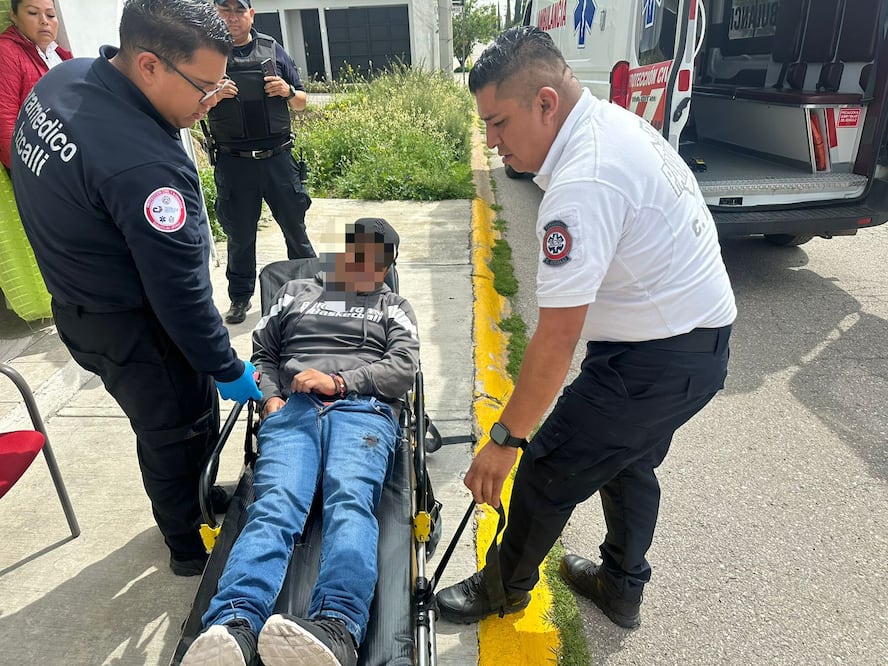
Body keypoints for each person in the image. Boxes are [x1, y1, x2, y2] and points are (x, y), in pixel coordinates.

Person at [436, 26, 737, 630]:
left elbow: (555, 338)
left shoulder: (583, 181)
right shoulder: (608, 127)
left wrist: (504, 440)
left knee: (547, 467)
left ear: (545, 103)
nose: (491, 142)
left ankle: (503, 589)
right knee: (626, 460)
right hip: (690, 343)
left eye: (498, 123)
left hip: (659, 357)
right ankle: (622, 587)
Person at [10, 0, 262, 577]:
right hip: (137, 326)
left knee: (163, 427)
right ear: (149, 65)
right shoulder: (143, 167)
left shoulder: (62, 83)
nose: (211, 101)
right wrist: (225, 366)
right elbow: (180, 295)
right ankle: (186, 545)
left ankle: (197, 500)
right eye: (205, 86)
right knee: (176, 429)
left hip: (80, 304)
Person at [181, 218, 419, 666]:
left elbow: (403, 368)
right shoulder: (295, 293)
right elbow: (264, 353)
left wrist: (340, 381)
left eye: (378, 263)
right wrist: (270, 397)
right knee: (275, 506)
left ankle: (337, 628)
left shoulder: (395, 306)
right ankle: (234, 624)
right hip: (294, 408)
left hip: (361, 410)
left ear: (387, 269)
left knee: (349, 501)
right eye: (358, 255)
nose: (365, 269)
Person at [207, 0, 315, 326]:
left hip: (277, 159)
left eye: (238, 10)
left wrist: (286, 91)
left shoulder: (272, 48)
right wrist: (213, 94)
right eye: (224, 10)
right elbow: (186, 106)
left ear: (250, 15)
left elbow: (302, 102)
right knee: (240, 238)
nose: (232, 17)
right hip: (234, 163)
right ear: (215, 14)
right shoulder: (207, 55)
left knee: (296, 230)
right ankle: (240, 299)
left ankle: (311, 290)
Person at [0, 0, 71, 170]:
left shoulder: (60, 54)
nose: (44, 21)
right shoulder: (6, 52)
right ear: (14, 16)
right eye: (33, 13)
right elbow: (4, 120)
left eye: (51, 15)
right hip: (38, 163)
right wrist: (30, 174)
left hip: (68, 151)